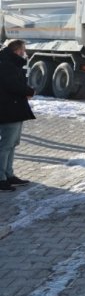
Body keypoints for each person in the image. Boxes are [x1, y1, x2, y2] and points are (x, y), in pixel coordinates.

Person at [0, 39, 34, 192]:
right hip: (8, 109)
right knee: (6, 145)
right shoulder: (6, 64)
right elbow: (11, 84)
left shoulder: (12, 62)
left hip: (14, 108)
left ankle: (8, 174)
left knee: (12, 144)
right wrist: (28, 91)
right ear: (17, 51)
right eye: (23, 49)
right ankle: (1, 178)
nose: (24, 52)